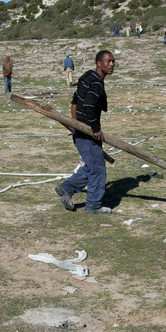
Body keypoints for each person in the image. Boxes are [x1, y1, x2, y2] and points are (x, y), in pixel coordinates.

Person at [55, 50, 115, 214]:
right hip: (87, 132)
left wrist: (75, 125)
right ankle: (93, 206)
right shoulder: (95, 83)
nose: (112, 64)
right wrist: (94, 129)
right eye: (108, 61)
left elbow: (75, 102)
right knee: (97, 169)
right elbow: (88, 106)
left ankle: (66, 189)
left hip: (81, 130)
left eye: (113, 61)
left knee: (92, 166)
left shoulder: (87, 77)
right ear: (99, 63)